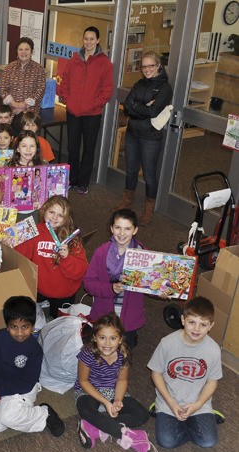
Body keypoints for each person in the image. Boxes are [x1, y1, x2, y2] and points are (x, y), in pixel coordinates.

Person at [0, 295, 64, 436]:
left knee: (7, 417)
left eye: (25, 327)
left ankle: (44, 414)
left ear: (33, 326)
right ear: (7, 326)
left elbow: (28, 382)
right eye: (14, 327)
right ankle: (18, 412)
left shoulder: (34, 349)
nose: (20, 333)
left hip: (22, 389)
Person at [148, 296, 223, 450]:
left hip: (198, 403)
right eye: (192, 322)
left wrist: (197, 405)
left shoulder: (213, 350)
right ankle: (161, 409)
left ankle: (200, 417)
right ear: (182, 320)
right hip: (169, 401)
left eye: (203, 325)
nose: (196, 329)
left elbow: (212, 381)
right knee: (166, 441)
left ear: (211, 326)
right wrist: (170, 402)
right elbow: (156, 373)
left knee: (208, 442)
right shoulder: (167, 343)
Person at [75, 313, 152, 452]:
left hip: (113, 390)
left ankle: (95, 426)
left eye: (113, 338)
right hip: (89, 391)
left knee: (142, 414)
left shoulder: (124, 354)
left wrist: (117, 400)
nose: (107, 343)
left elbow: (122, 381)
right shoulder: (87, 353)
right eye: (102, 337)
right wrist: (105, 402)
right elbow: (83, 382)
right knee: (85, 409)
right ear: (94, 338)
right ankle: (131, 436)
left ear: (120, 339)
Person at [116, 51, 173, 225]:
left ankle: (148, 211)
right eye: (144, 66)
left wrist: (137, 107)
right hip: (133, 132)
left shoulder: (164, 88)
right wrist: (142, 107)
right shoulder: (139, 83)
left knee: (149, 175)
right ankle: (126, 203)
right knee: (131, 170)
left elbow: (153, 112)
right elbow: (126, 107)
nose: (147, 69)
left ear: (158, 66)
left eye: (151, 66)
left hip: (151, 137)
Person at [10, 195, 88, 319]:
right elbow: (20, 256)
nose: (54, 217)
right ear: (44, 210)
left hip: (63, 292)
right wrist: (10, 242)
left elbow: (79, 272)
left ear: (67, 219)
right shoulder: (34, 230)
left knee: (59, 324)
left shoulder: (73, 240)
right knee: (26, 312)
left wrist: (67, 258)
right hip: (39, 287)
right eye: (51, 212)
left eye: (60, 215)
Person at [59, 26, 113, 195]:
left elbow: (107, 91)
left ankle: (83, 182)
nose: (88, 42)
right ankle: (72, 179)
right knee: (73, 147)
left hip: (92, 114)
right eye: (86, 39)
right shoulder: (75, 59)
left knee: (89, 149)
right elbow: (64, 81)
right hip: (73, 112)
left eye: (92, 39)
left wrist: (93, 104)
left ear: (97, 41)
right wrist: (68, 99)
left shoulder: (104, 63)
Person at [83, 209, 145, 349]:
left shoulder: (142, 255)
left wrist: (161, 291)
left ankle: (130, 338)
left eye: (127, 228)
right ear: (111, 228)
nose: (122, 234)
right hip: (104, 314)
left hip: (129, 317)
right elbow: (88, 283)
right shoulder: (101, 253)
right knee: (102, 350)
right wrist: (110, 289)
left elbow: (149, 284)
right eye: (118, 227)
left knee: (124, 353)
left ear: (135, 230)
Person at [0, 38, 46, 125]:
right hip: (10, 110)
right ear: (17, 52)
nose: (23, 52)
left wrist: (22, 107)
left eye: (26, 49)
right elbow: (3, 88)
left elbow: (40, 90)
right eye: (20, 49)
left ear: (31, 52)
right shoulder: (9, 67)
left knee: (20, 125)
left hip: (30, 112)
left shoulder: (38, 69)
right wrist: (14, 104)